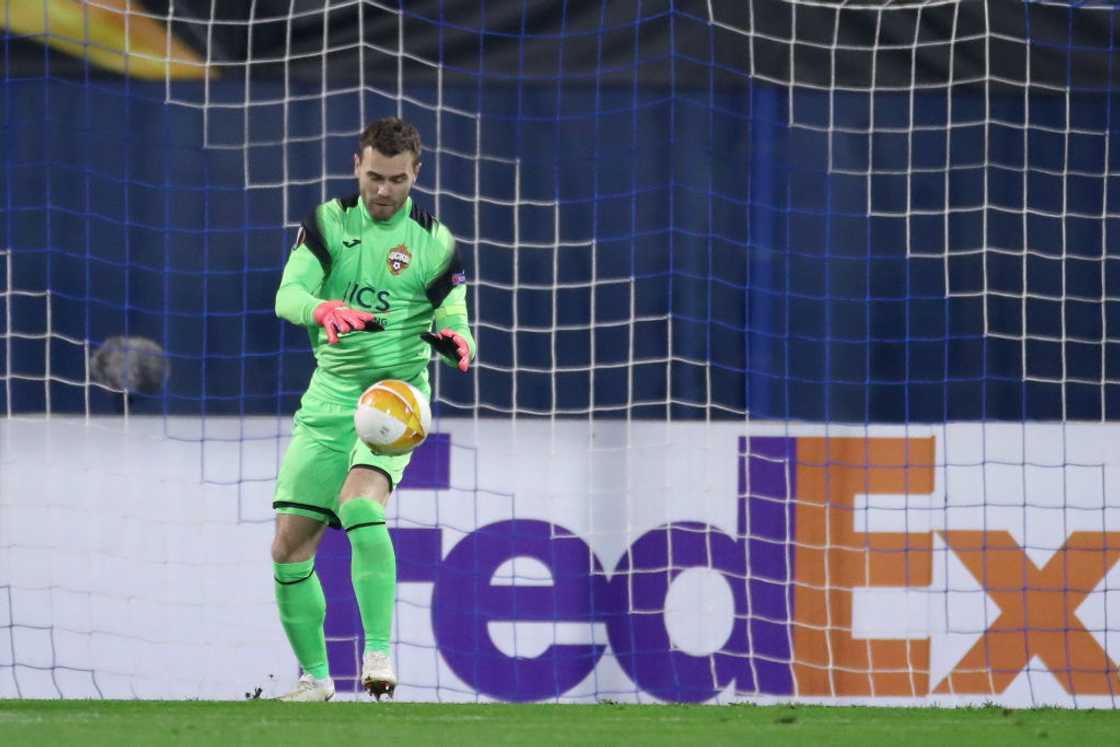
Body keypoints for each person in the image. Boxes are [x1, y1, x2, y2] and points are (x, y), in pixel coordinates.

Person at [269, 116, 475, 702]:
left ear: (416, 175)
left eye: (398, 180)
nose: (384, 191)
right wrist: (322, 310)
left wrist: (460, 340)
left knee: (359, 504)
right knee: (289, 547)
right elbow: (289, 295)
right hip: (331, 396)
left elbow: (455, 318)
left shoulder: (435, 241)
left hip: (395, 398)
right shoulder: (328, 224)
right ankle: (315, 679)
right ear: (356, 165)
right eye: (375, 177)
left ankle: (378, 653)